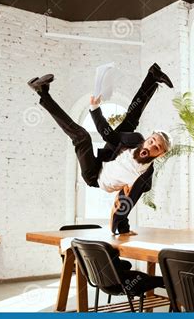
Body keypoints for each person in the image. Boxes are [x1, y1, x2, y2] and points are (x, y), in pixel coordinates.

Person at [28, 63, 173, 236]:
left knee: (82, 137)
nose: (151, 146)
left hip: (94, 176)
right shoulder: (135, 141)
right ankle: (152, 77)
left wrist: (122, 227)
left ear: (160, 154)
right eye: (151, 141)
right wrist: (95, 109)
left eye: (156, 148)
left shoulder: (145, 176)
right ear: (148, 138)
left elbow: (129, 200)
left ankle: (44, 95)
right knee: (131, 121)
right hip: (108, 158)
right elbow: (109, 136)